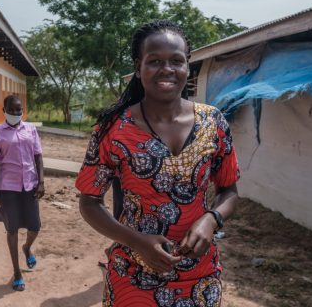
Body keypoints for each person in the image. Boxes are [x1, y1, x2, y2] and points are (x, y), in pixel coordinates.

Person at [76, 20, 240, 306]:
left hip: (199, 275)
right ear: (139, 68)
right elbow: (89, 202)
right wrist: (137, 241)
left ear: (187, 67)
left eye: (176, 60)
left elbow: (229, 191)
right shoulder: (113, 128)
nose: (167, 69)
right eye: (154, 61)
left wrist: (211, 220)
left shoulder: (214, 122)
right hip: (133, 274)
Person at [0, 94, 45, 292]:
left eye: (19, 110)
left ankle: (27, 248)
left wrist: (41, 181)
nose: (16, 113)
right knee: (12, 230)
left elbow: (38, 156)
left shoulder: (31, 130)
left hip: (30, 185)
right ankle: (17, 272)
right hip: (7, 187)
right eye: (12, 110)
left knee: (35, 226)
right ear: (4, 111)